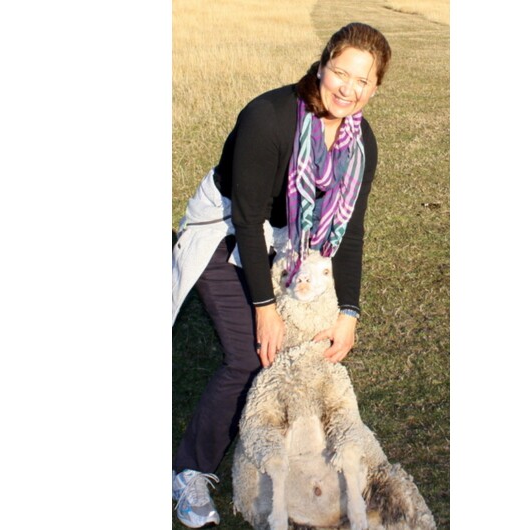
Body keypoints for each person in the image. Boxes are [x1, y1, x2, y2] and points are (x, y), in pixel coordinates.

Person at [171, 22, 391, 528]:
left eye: (363, 81)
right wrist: (264, 309)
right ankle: (188, 470)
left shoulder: (361, 145)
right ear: (321, 66)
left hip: (287, 237)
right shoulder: (268, 119)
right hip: (226, 229)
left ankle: (285, 442)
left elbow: (350, 231)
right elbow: (247, 219)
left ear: (374, 87)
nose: (348, 89)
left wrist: (349, 312)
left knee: (304, 343)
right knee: (251, 353)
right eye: (341, 72)